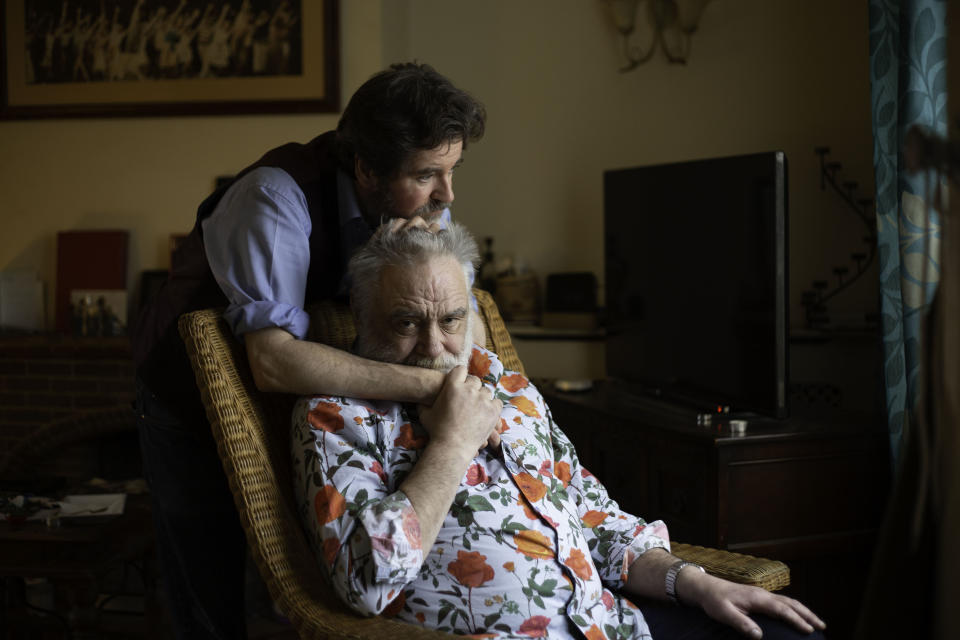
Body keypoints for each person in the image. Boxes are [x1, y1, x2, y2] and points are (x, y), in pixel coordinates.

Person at [292, 223, 827, 640]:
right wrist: (453, 443)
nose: (435, 347)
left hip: (611, 626)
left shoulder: (512, 390)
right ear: (363, 320)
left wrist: (693, 583)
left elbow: (596, 520)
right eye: (407, 322)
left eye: (452, 320)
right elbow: (366, 582)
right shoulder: (335, 416)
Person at [132, 62, 486, 638]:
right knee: (208, 579)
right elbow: (272, 360)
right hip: (186, 399)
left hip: (315, 410)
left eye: (451, 170)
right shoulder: (274, 197)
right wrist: (433, 386)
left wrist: (416, 263)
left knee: (307, 570)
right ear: (366, 169)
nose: (447, 195)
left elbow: (471, 337)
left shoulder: (421, 207)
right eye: (427, 175)